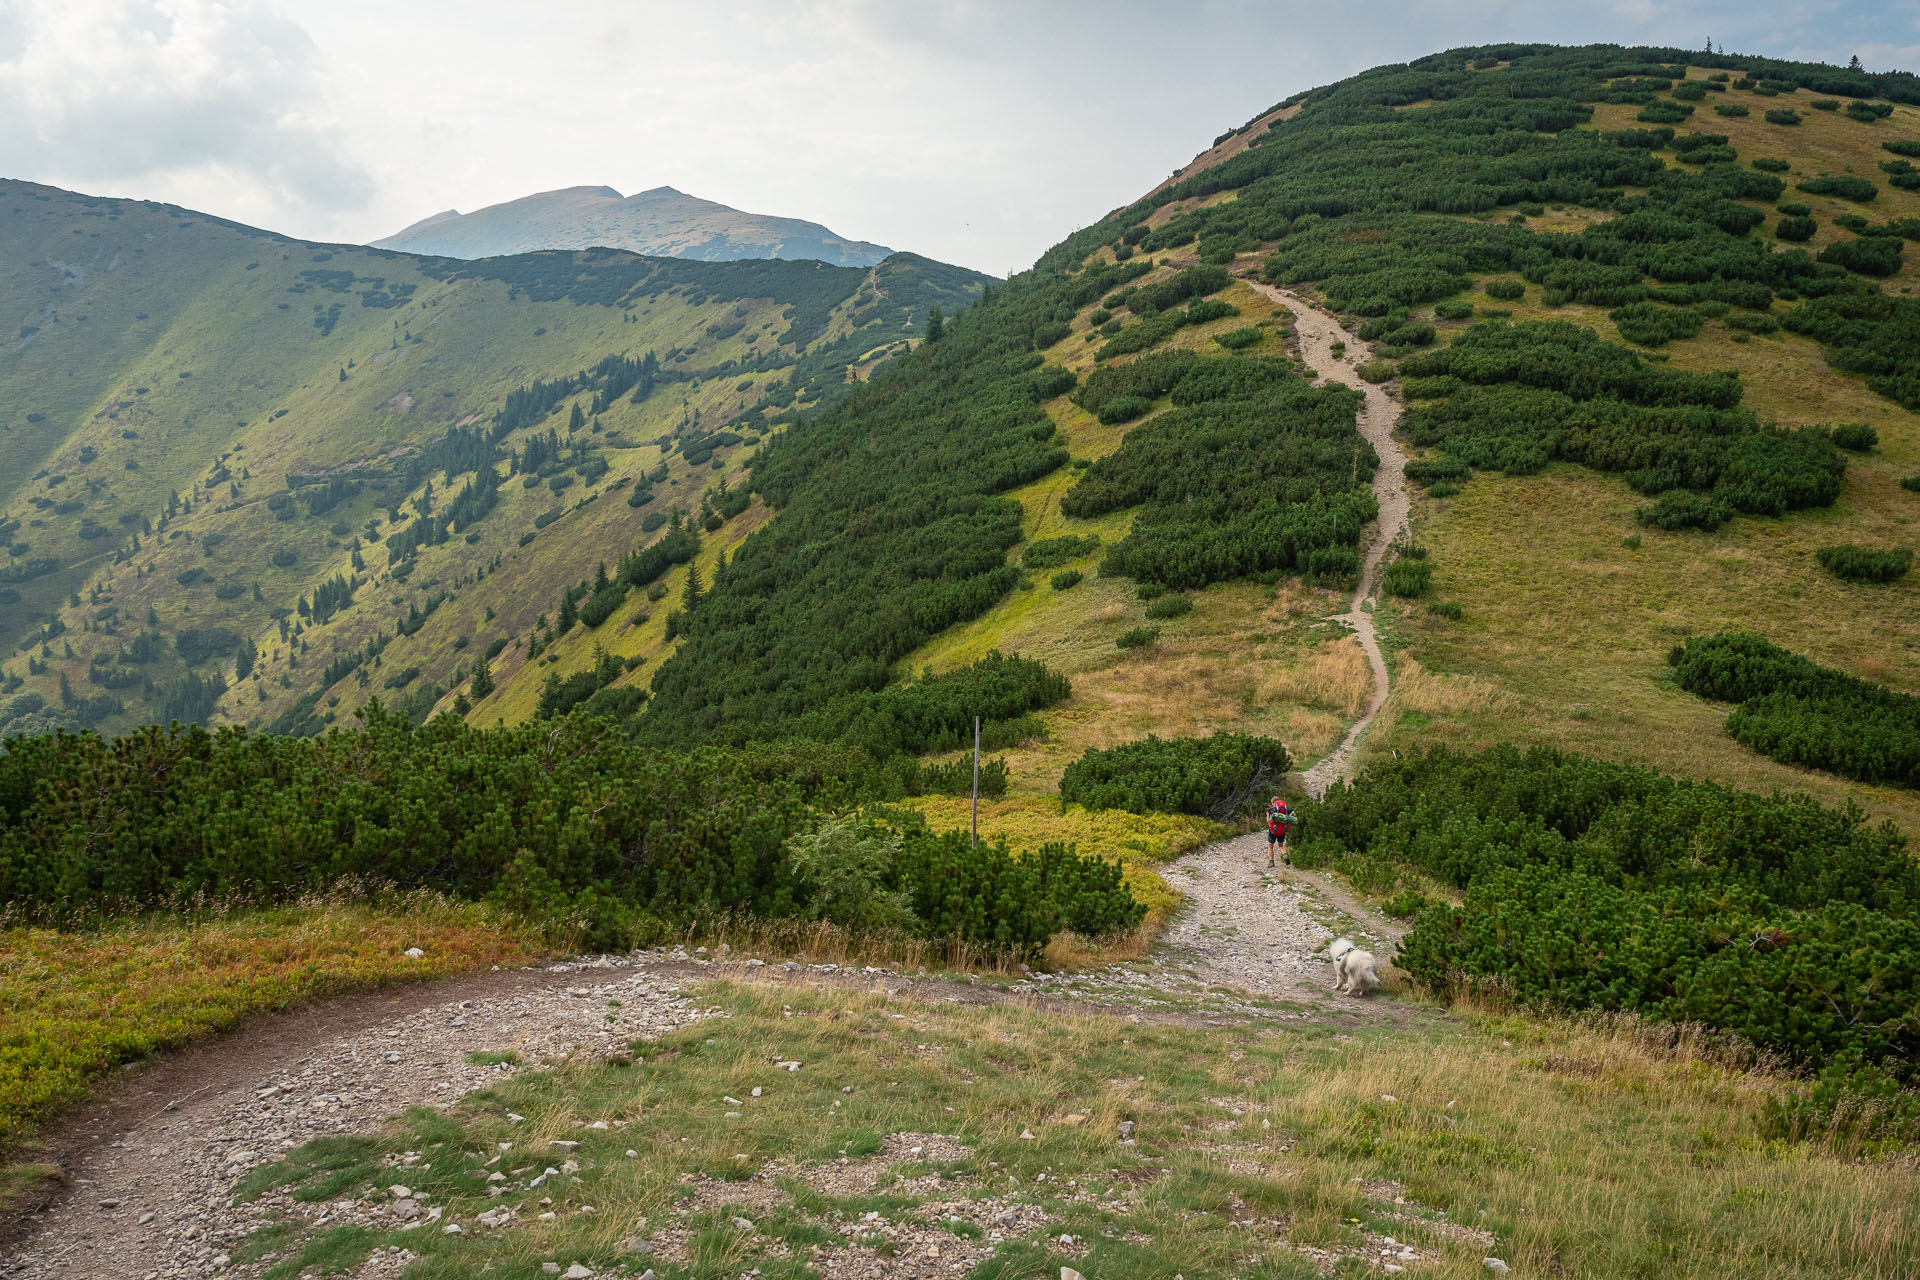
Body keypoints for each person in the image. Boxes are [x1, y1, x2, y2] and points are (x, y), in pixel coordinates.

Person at [1265, 795, 1295, 867]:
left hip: (1273, 830)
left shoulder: (1271, 809)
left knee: (1270, 846)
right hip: (1282, 830)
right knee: (1281, 845)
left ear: (1273, 802)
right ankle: (1285, 855)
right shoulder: (1285, 809)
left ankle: (1271, 862)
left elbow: (1268, 820)